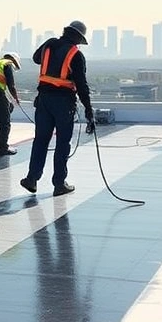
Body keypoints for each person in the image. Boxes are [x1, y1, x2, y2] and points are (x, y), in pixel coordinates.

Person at [19, 20, 94, 197]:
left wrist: (48, 46)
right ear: (78, 37)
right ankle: (59, 184)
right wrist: (89, 109)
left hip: (44, 101)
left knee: (41, 140)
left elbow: (36, 58)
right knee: (62, 143)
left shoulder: (50, 45)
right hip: (63, 103)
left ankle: (32, 178)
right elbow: (82, 85)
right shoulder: (75, 55)